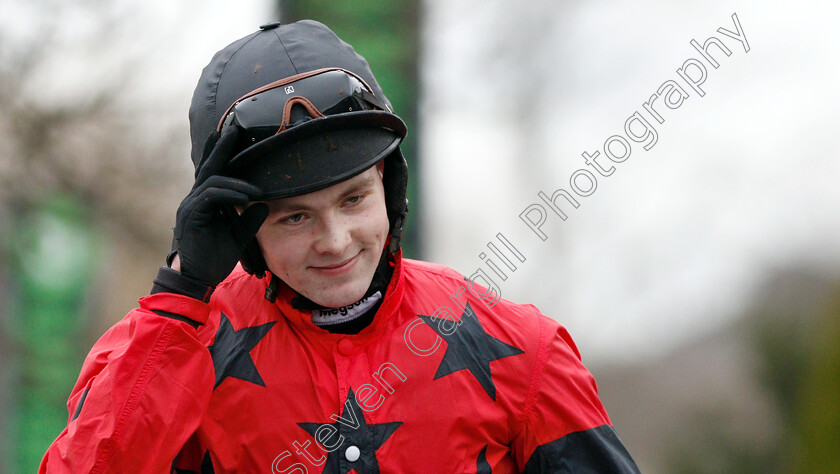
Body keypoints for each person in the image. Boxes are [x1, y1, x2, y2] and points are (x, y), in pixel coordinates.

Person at [40, 20, 640, 473]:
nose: (335, 242)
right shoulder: (165, 350)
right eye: (295, 216)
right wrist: (181, 295)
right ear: (238, 226)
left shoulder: (521, 348)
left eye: (353, 199)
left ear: (389, 185)